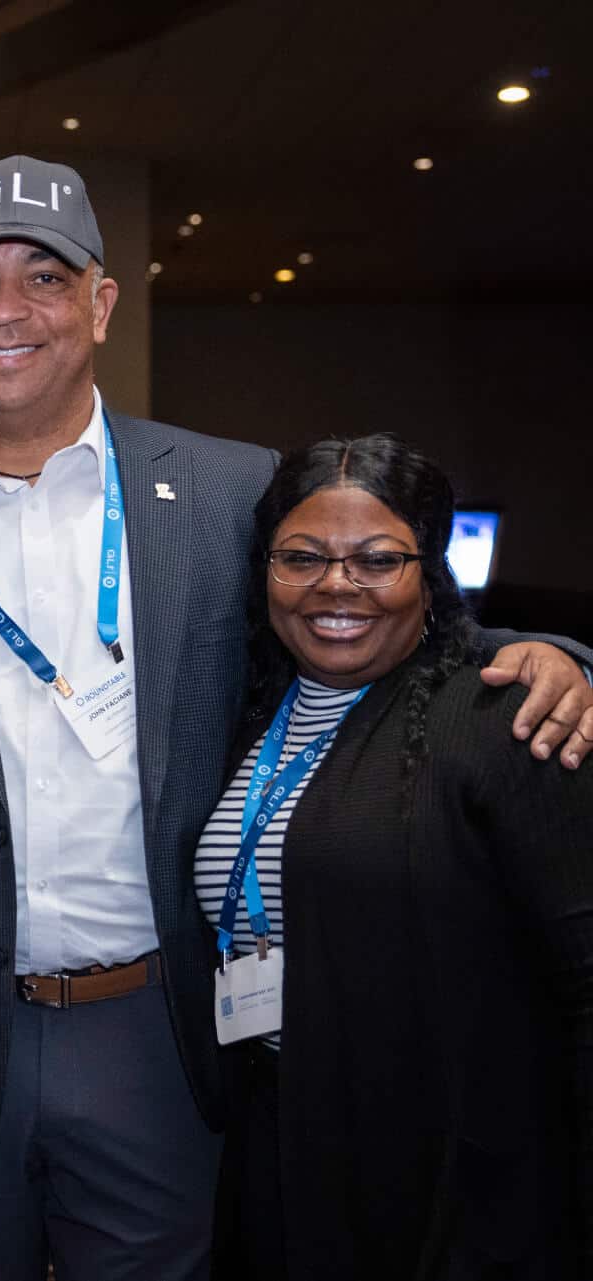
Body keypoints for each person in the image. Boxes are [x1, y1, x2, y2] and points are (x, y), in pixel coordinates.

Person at [0, 154, 593, 1280]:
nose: (7, 309)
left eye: (44, 277)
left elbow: (364, 617)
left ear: (99, 304)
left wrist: (550, 654)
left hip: (163, 1033)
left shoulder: (232, 492)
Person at [198, 434, 592, 1278]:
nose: (337, 585)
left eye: (378, 559)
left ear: (429, 571)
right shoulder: (241, 709)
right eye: (302, 557)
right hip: (271, 1135)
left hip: (445, 1170)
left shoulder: (505, 714)